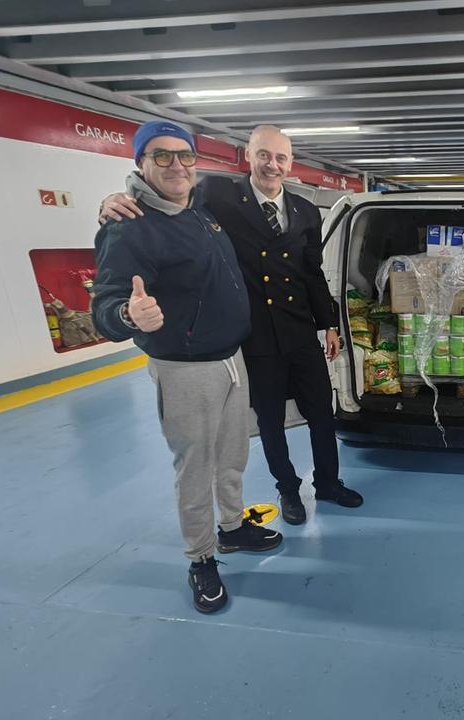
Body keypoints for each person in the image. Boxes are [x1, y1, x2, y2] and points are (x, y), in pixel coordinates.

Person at [101, 126, 362, 527]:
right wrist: (114, 200)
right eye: (264, 155)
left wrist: (327, 323)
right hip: (256, 336)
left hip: (299, 330)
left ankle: (327, 482)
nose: (272, 165)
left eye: (280, 158)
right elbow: (165, 193)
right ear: (248, 156)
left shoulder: (306, 210)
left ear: (291, 163)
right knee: (270, 420)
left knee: (322, 414)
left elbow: (312, 272)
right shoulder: (218, 195)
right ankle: (288, 489)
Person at [92, 120, 282, 614]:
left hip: (230, 357)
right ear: (140, 163)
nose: (176, 164)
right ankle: (201, 558)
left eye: (184, 154)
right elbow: (105, 304)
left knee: (232, 453)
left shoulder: (201, 204)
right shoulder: (128, 226)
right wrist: (127, 314)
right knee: (196, 467)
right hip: (185, 367)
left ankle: (233, 527)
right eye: (161, 155)